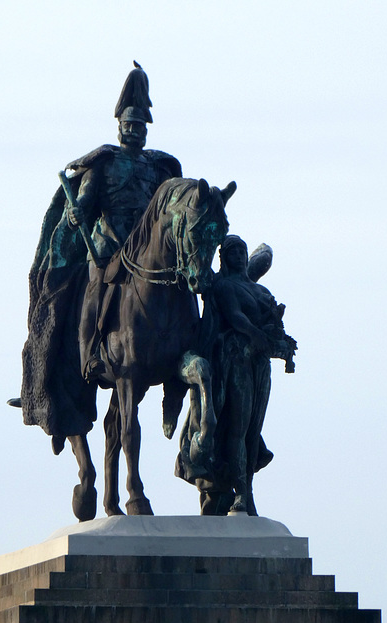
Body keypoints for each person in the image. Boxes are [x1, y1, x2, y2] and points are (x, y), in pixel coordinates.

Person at [16, 63, 181, 453]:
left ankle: (176, 379)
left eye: (141, 125)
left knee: (182, 291)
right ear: (119, 127)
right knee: (93, 291)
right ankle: (88, 352)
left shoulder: (159, 168)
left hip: (146, 255)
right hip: (108, 250)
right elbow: (87, 203)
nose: (135, 130)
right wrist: (78, 214)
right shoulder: (104, 163)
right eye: (130, 124)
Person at [176, 235, 296, 515]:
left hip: (259, 365)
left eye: (243, 252)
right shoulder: (224, 286)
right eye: (233, 253)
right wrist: (258, 334)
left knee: (254, 431)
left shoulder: (261, 290)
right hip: (235, 360)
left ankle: (248, 491)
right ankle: (241, 492)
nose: (240, 257)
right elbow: (236, 318)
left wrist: (279, 337)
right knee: (239, 429)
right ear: (225, 258)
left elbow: (272, 323)